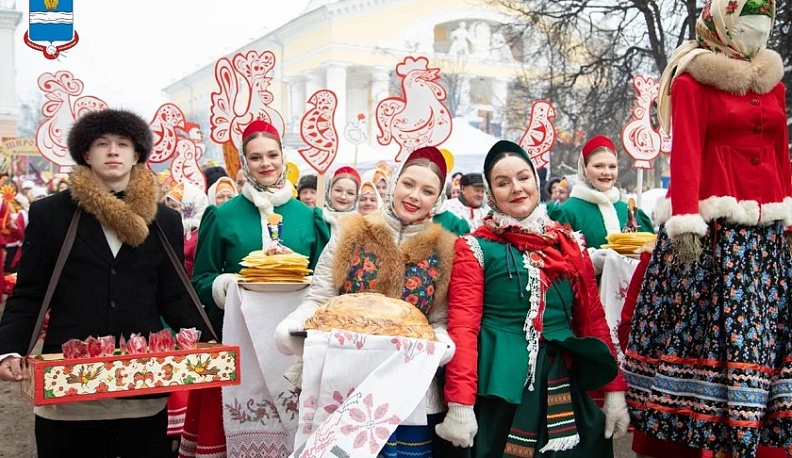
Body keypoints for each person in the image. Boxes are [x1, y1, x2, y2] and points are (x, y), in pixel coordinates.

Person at [623, 1, 792, 457]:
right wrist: (685, 223)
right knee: (711, 333)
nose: (758, 40)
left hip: (765, 234)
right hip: (714, 229)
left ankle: (753, 427)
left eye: (764, 31)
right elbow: (686, 155)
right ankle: (710, 428)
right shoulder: (695, 80)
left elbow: (780, 154)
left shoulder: (773, 86)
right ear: (724, 27)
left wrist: (788, 217)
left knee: (763, 335)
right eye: (749, 30)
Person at [0, 109, 213, 458]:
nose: (113, 151)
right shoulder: (51, 214)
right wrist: (9, 348)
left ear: (136, 155)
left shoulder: (165, 221)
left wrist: (211, 341)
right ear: (86, 154)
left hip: (140, 389)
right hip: (67, 386)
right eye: (102, 144)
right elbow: (31, 293)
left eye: (122, 144)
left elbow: (174, 295)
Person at [435, 140, 630, 457]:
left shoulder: (568, 242)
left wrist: (614, 391)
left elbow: (591, 318)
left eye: (523, 177)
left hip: (560, 380)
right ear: (491, 193)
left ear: (536, 182)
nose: (516, 188)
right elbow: (463, 330)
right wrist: (460, 404)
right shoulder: (476, 248)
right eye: (503, 182)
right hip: (499, 387)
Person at [274, 146, 459, 457]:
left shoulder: (444, 249)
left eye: (427, 190)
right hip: (341, 375)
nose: (414, 196)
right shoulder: (352, 232)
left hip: (409, 384)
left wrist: (440, 342)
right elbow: (320, 299)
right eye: (408, 184)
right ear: (395, 183)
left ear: (438, 198)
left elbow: (439, 318)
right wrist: (294, 325)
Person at [181, 120, 330, 457]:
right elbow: (200, 282)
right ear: (244, 164)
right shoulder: (222, 216)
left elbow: (327, 282)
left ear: (284, 158)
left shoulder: (308, 217)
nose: (266, 164)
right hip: (240, 344)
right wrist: (230, 284)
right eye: (256, 157)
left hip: (294, 347)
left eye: (272, 155)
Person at [555, 135, 653, 273]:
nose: (607, 172)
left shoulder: (630, 211)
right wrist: (591, 262)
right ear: (584, 169)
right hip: (588, 293)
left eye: (612, 166)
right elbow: (558, 263)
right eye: (598, 166)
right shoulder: (566, 212)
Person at [321, 166, 360, 231]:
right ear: (329, 191)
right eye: (338, 190)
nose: (343, 197)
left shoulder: (361, 226)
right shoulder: (318, 218)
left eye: (350, 193)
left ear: (356, 197)